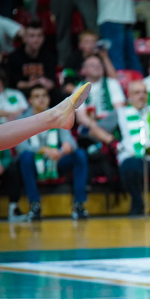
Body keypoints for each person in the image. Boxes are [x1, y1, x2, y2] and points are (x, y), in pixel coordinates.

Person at [79, 79, 150, 215]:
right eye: (137, 93)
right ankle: (137, 204)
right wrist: (111, 140)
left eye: (144, 92)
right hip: (133, 157)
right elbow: (94, 129)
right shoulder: (121, 112)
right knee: (130, 166)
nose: (141, 95)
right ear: (129, 96)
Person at [15, 85, 90, 220]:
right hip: (34, 162)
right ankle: (34, 204)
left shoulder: (57, 115)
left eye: (44, 96)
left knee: (79, 154)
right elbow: (21, 146)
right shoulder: (22, 119)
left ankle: (79, 204)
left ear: (49, 99)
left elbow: (70, 140)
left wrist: (67, 146)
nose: (41, 99)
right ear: (30, 101)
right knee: (25, 157)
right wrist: (43, 150)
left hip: (56, 160)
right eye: (37, 97)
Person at [6, 21, 59, 100]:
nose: (36, 39)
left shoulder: (49, 56)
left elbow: (52, 82)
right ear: (24, 38)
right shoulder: (14, 57)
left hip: (43, 94)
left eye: (39, 36)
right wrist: (34, 83)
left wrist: (47, 83)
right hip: (22, 95)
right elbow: (15, 84)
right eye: (32, 36)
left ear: (43, 38)